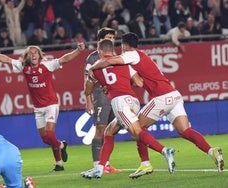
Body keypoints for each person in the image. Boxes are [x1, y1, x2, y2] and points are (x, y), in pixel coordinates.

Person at [88, 32, 224, 179]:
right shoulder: (140, 57)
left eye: (121, 46)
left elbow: (109, 61)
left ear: (124, 45)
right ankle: (212, 151)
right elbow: (139, 82)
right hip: (174, 95)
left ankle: (145, 164)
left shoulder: (131, 54)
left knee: (138, 128)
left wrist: (93, 67)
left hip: (161, 97)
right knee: (185, 130)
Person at [0, 42, 85, 172]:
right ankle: (60, 153)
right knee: (46, 139)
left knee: (50, 133)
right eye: (30, 53)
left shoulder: (47, 65)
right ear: (27, 56)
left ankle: (59, 156)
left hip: (51, 104)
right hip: (38, 108)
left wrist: (78, 51)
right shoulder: (23, 66)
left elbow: (65, 59)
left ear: (40, 55)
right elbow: (5, 59)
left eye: (35, 52)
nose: (33, 55)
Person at [81, 39, 176, 179]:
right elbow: (138, 82)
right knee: (109, 131)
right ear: (112, 50)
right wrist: (122, 81)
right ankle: (99, 168)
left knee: (137, 132)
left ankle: (164, 151)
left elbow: (88, 90)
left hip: (120, 103)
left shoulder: (96, 68)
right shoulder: (124, 62)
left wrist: (96, 79)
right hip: (133, 101)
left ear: (99, 51)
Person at [84, 27, 121, 174]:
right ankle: (96, 165)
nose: (111, 40)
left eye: (113, 38)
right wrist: (88, 100)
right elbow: (86, 80)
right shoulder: (92, 58)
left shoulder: (116, 55)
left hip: (114, 96)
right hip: (100, 96)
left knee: (110, 131)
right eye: (108, 37)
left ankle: (106, 164)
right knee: (100, 128)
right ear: (100, 40)